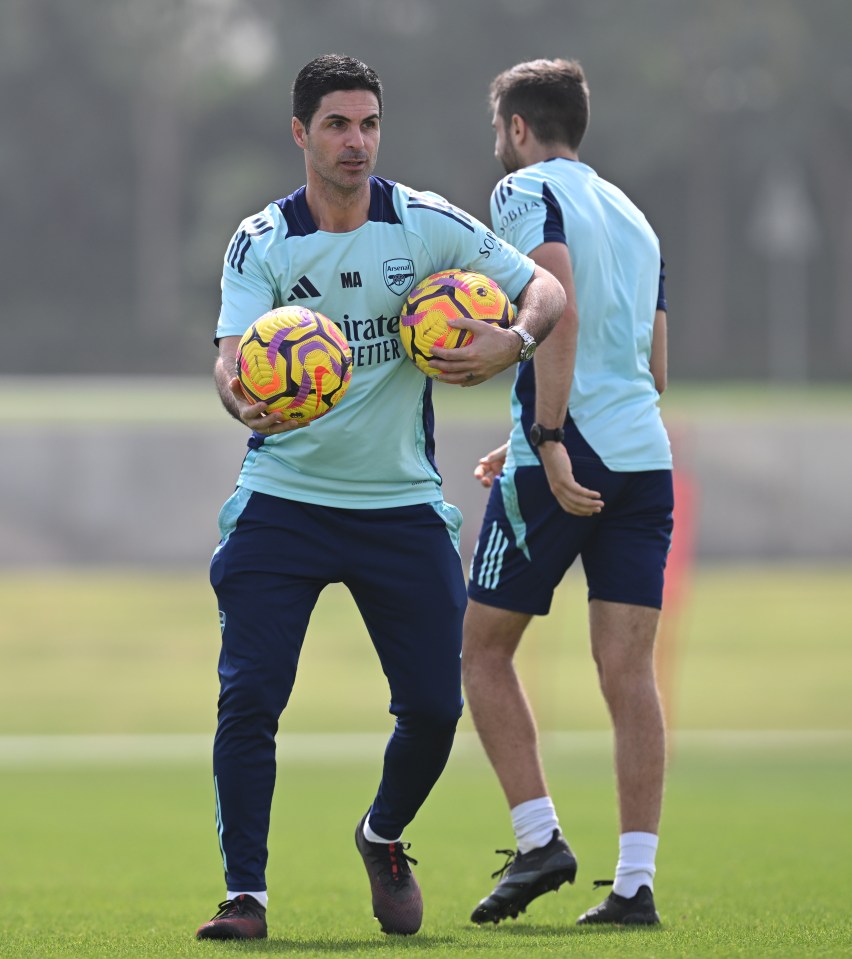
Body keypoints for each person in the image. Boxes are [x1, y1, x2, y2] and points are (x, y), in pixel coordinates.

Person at [194, 54, 566, 941]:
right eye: (336, 125)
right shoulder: (263, 241)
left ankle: (382, 834)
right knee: (249, 698)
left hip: (399, 506)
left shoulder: (424, 222)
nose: (355, 142)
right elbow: (230, 353)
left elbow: (545, 288)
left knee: (438, 704)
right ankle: (246, 893)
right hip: (282, 499)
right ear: (301, 133)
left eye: (367, 124)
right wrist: (239, 392)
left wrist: (511, 342)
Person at [461, 58, 673, 928]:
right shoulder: (636, 215)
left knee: (480, 651)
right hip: (643, 455)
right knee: (629, 675)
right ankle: (635, 884)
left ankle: (540, 836)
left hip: (569, 453)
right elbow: (651, 369)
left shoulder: (522, 194)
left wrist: (545, 440)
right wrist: (531, 428)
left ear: (515, 129)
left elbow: (560, 311)